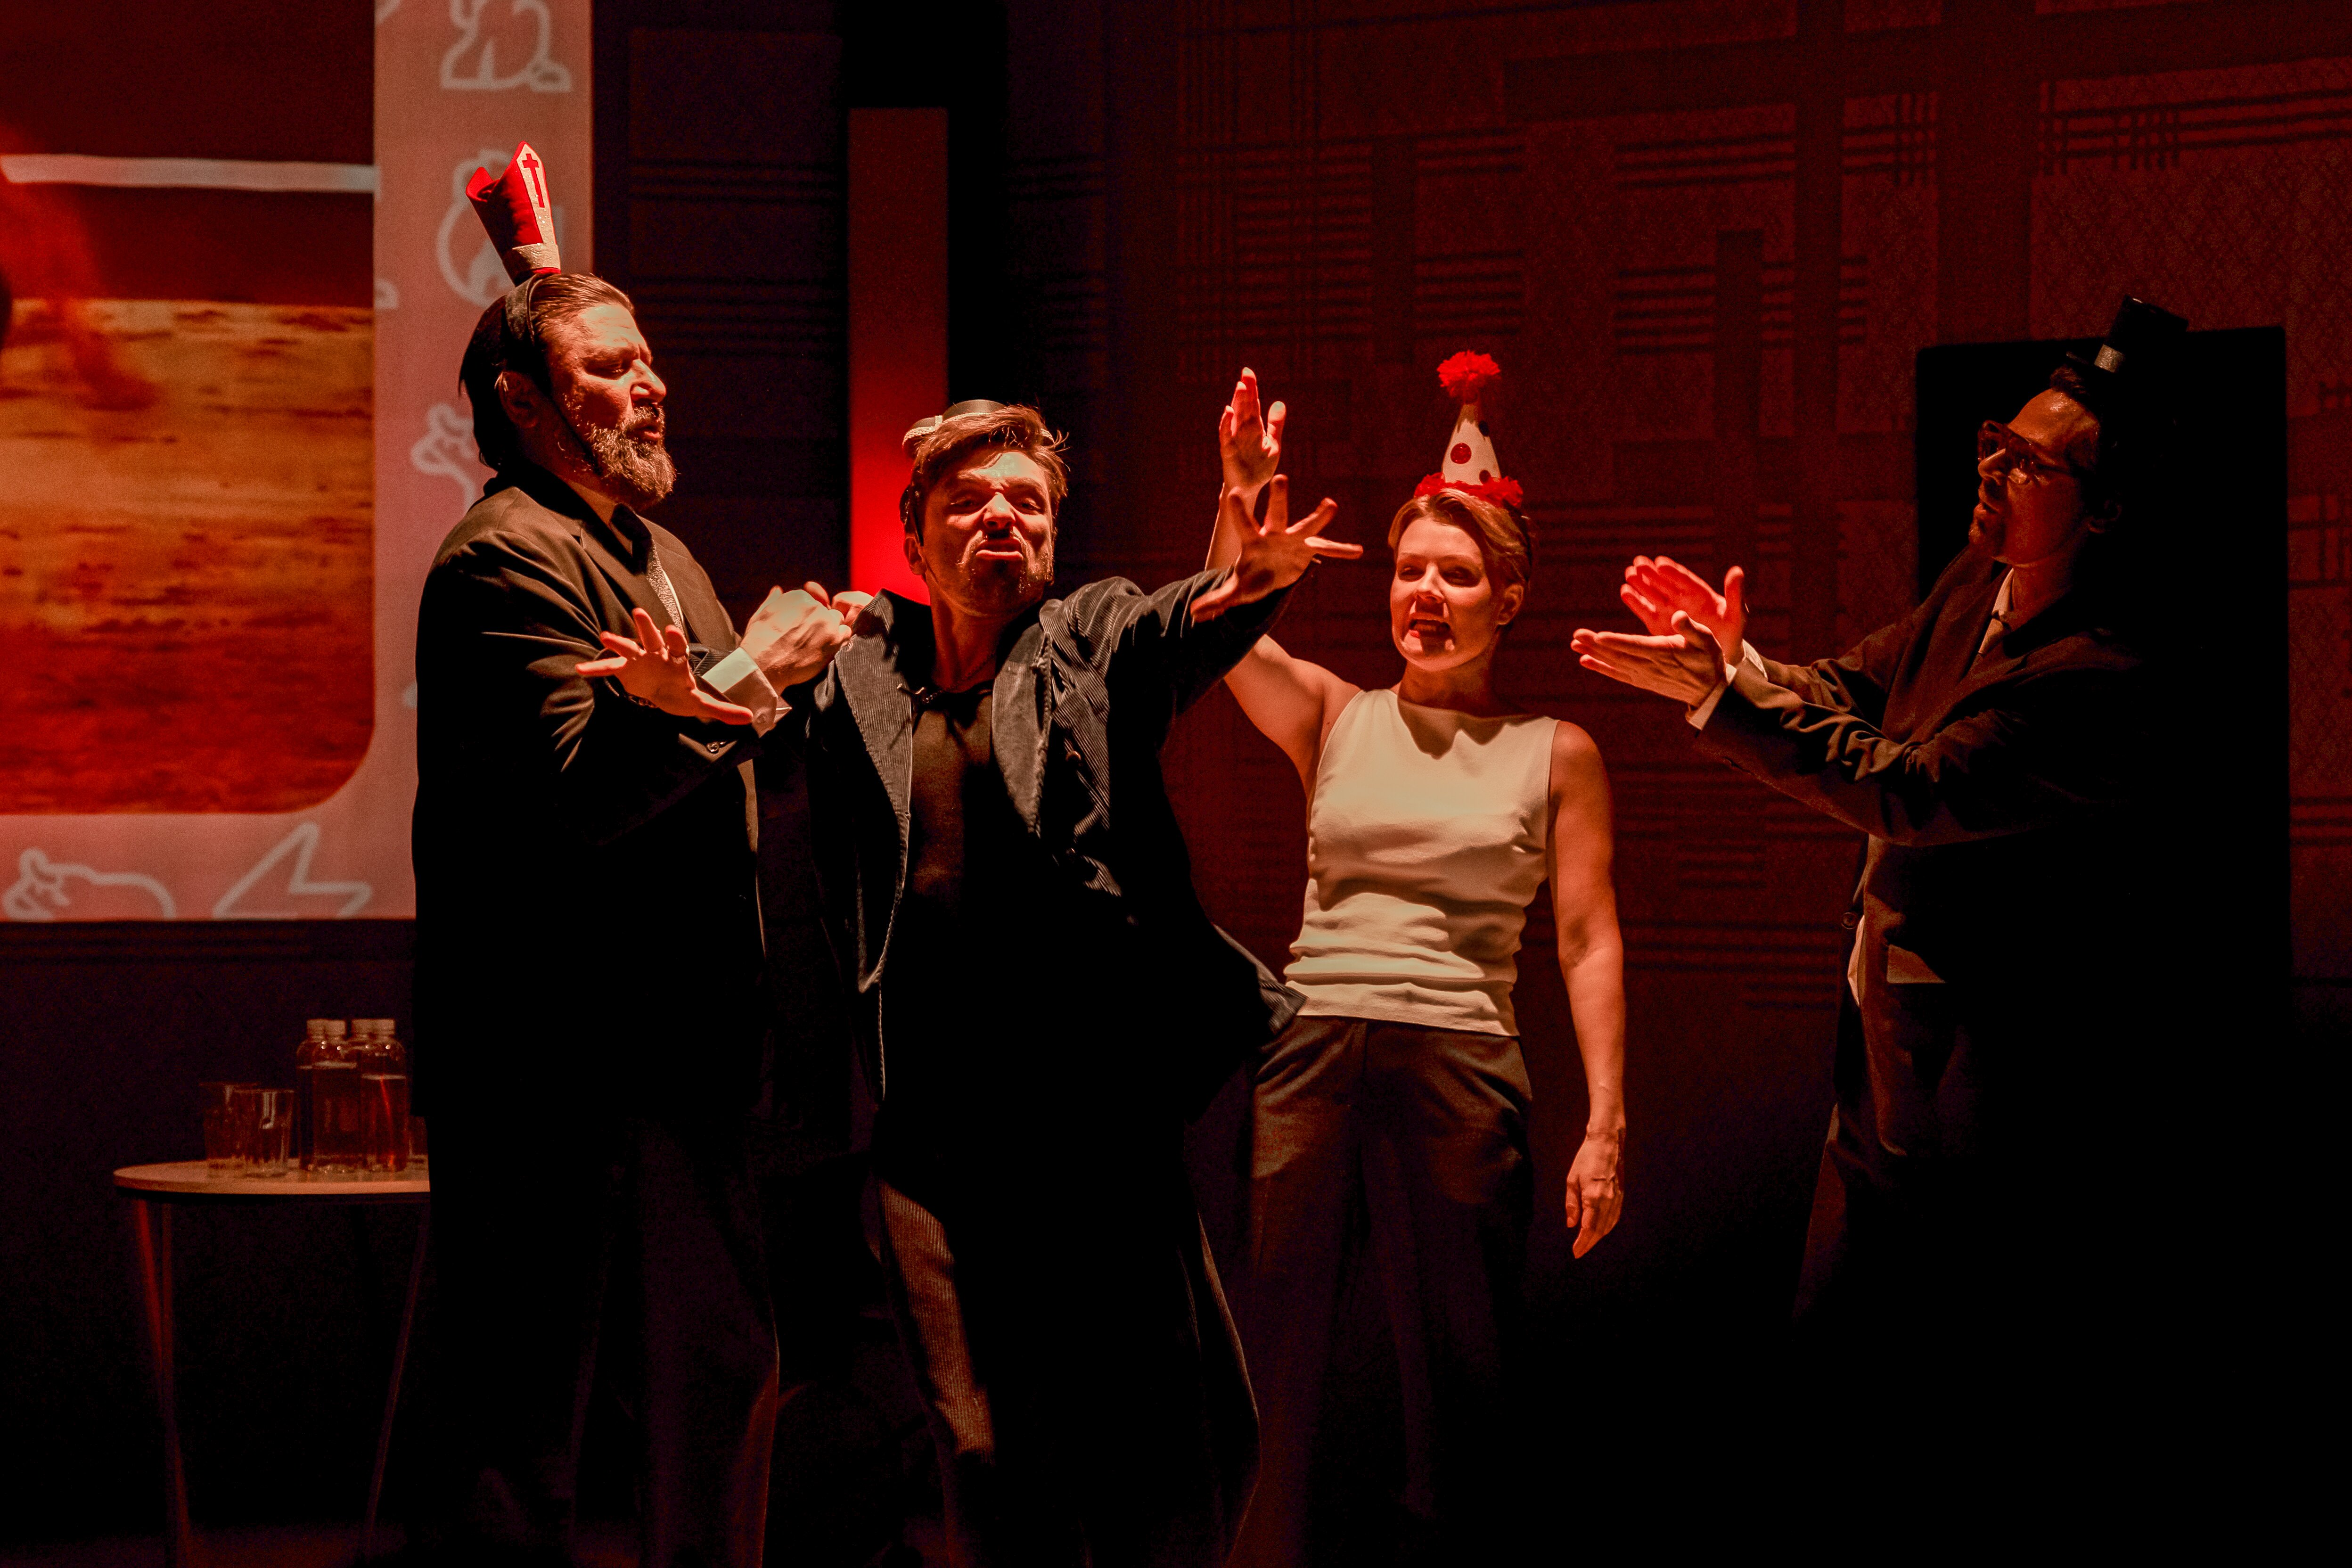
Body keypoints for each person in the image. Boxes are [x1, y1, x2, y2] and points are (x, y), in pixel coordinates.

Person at [602, 398, 1358, 1564]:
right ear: (915, 537)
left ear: (1053, 533)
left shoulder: (1088, 638)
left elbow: (1181, 624)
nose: (1002, 515)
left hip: (1095, 1129)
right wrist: (697, 690)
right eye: (969, 501)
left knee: (1173, 1442)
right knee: (980, 1453)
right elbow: (738, 710)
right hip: (930, 1144)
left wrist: (1243, 571)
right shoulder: (861, 662)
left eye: (1028, 501)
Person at [1569, 297, 2184, 1404]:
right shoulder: (1977, 581)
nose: (1994, 471)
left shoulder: (2099, 677)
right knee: (1832, 1351)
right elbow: (1851, 687)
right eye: (1996, 442)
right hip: (1888, 1049)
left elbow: (1909, 787)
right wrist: (1741, 662)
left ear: (2103, 510)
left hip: (2000, 1094)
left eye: (2032, 464)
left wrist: (1725, 703)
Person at [410, 144, 852, 1568]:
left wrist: (802, 681)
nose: (650, 384)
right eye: (609, 368)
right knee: (522, 1424)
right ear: (522, 403)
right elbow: (581, 798)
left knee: (717, 1393)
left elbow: (720, 751)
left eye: (649, 359)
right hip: (553, 1066)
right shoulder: (504, 558)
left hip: (689, 1054)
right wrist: (750, 673)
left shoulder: (664, 558)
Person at [1205, 359, 1625, 1566]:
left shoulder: (1556, 750)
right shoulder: (1336, 712)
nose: (1425, 593)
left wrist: (1606, 1120)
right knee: (1273, 1362)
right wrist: (1240, 503)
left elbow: (1587, 937)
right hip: (1315, 1047)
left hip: (1461, 1058)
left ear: (1510, 597)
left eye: (1456, 573)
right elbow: (1219, 635)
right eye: (1409, 570)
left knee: (1465, 1376)